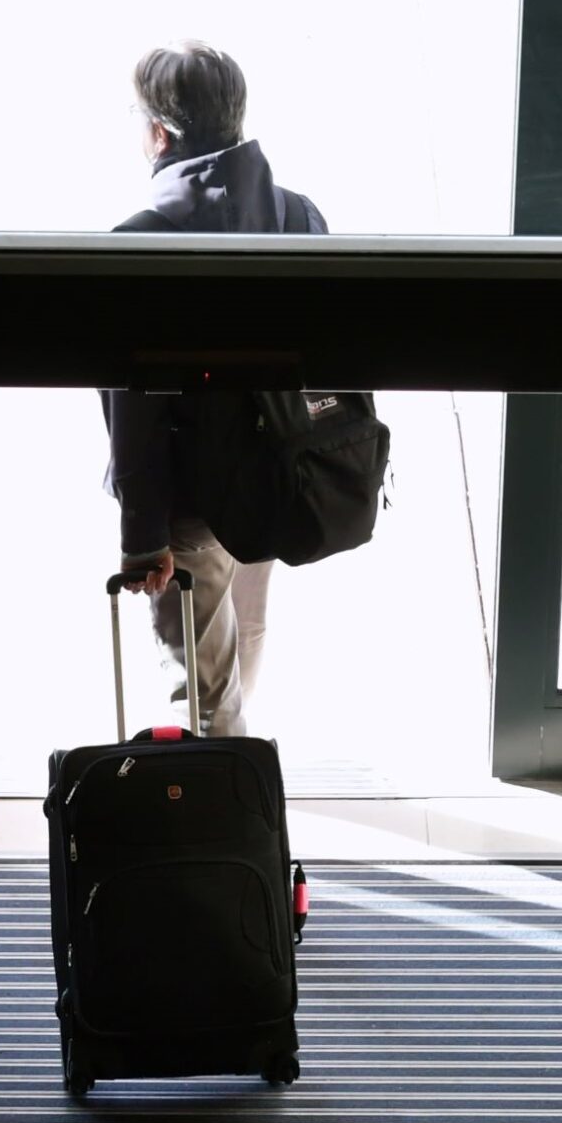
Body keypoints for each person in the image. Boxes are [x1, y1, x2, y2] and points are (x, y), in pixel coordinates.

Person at [103, 40, 326, 738]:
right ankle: (238, 773)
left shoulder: (141, 241)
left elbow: (135, 407)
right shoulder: (298, 217)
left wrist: (142, 536)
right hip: (273, 478)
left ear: (160, 134)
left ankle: (225, 818)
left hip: (190, 503)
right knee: (244, 629)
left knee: (200, 683)